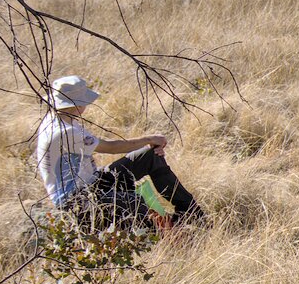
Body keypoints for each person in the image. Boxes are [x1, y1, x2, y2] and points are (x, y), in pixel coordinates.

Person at [34, 75, 202, 226]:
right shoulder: (65, 132)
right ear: (78, 105)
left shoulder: (58, 119)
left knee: (148, 157)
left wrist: (148, 146)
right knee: (135, 203)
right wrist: (149, 139)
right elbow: (110, 147)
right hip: (77, 201)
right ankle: (166, 234)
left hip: (93, 183)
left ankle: (192, 214)